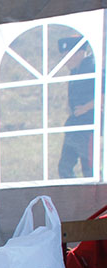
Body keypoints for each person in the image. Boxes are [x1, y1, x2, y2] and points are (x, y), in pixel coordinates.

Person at [58, 38, 95, 179]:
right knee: (64, 168)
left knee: (90, 170)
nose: (65, 61)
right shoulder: (75, 72)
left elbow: (104, 94)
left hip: (88, 126)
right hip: (74, 126)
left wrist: (86, 107)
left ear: (80, 53)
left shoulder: (93, 68)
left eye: (68, 56)